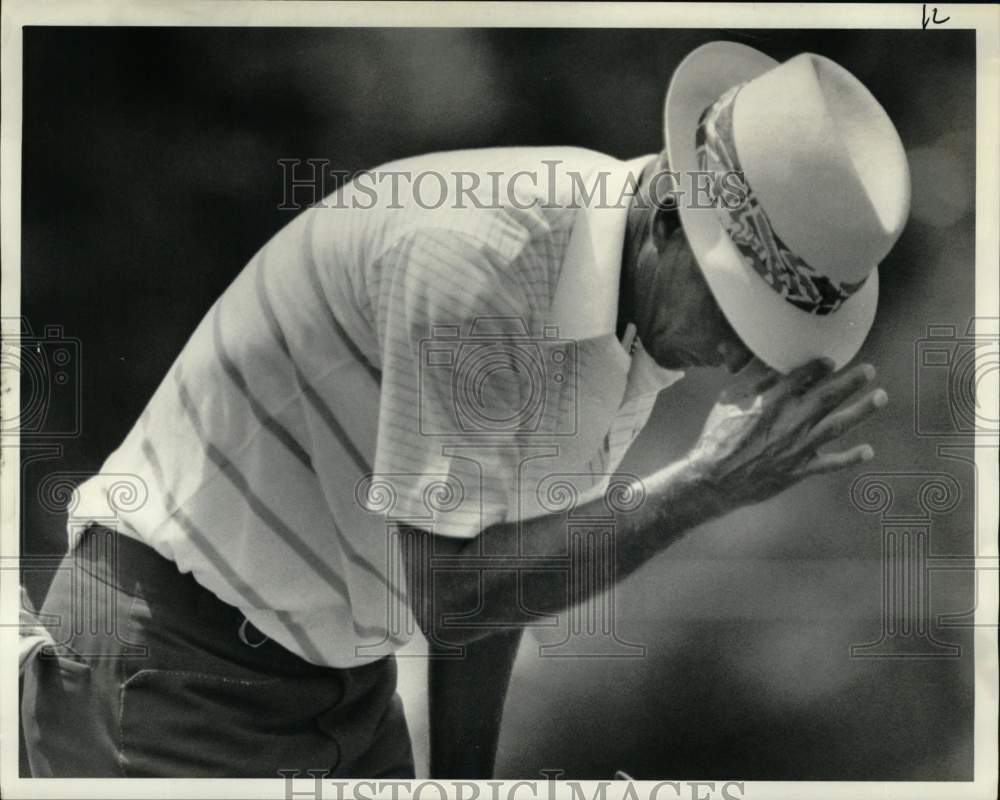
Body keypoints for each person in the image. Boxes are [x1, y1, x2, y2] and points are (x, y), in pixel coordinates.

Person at [20, 42, 909, 778]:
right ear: (672, 217)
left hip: (339, 683)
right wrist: (702, 484)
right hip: (170, 665)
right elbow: (454, 595)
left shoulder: (638, 308)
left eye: (769, 332)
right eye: (736, 309)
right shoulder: (482, 264)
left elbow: (492, 589)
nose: (737, 357)